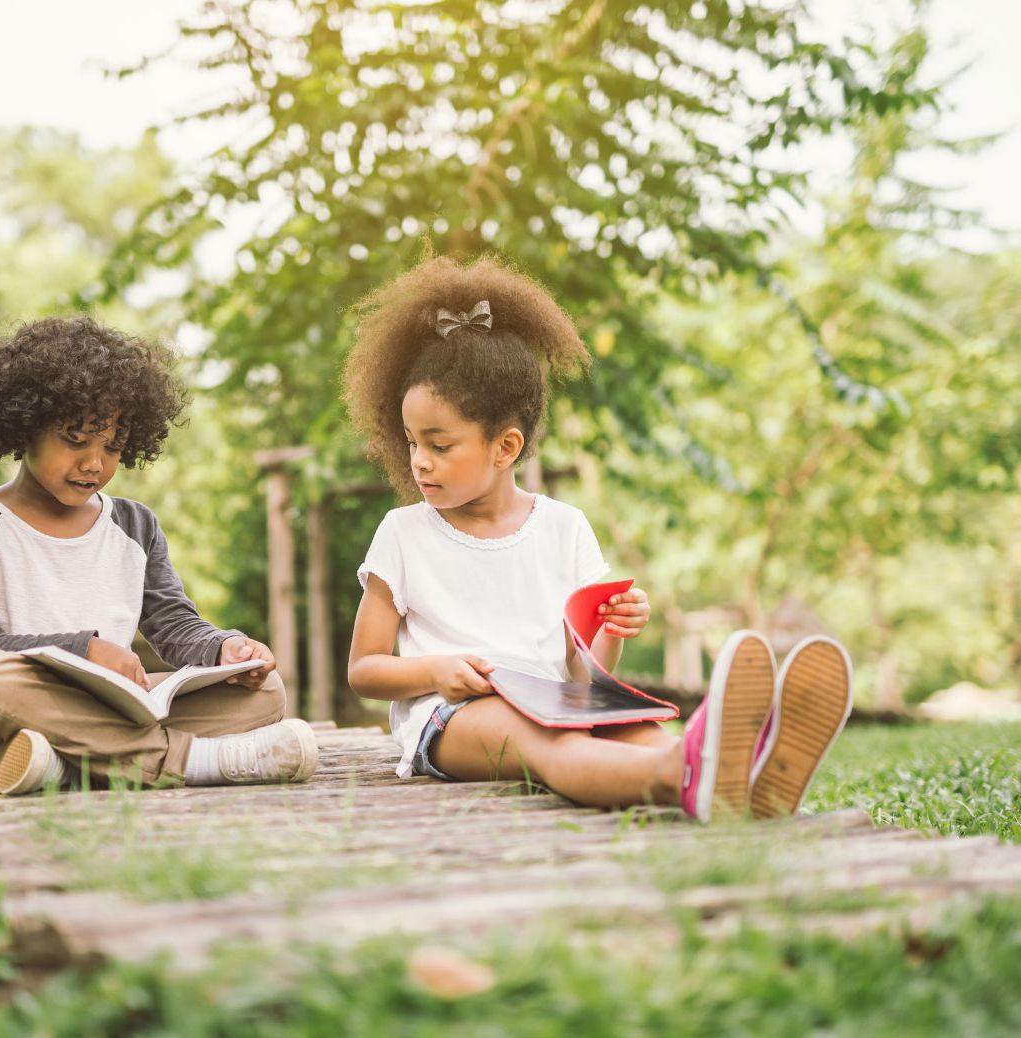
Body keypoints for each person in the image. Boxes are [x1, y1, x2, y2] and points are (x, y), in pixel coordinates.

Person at [343, 255, 852, 818]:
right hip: (451, 715)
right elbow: (365, 669)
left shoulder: (565, 528)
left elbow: (587, 672)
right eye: (413, 441)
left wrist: (612, 628)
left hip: (560, 699)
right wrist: (436, 670)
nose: (419, 462)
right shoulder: (404, 532)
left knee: (638, 733)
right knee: (550, 747)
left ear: (505, 447)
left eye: (439, 446)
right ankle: (686, 773)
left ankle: (747, 780)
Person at [0, 315, 317, 795]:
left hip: (108, 714)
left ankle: (66, 767)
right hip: (8, 715)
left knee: (264, 692)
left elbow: (174, 624)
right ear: (24, 426)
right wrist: (85, 649)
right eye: (75, 440)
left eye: (112, 446)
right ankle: (191, 761)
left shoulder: (135, 525)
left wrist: (226, 649)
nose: (94, 462)